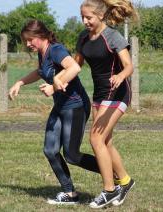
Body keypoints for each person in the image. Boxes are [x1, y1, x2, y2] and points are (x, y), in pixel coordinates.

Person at [8, 20, 100, 205]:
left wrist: (53, 88)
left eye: (30, 40)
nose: (27, 45)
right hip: (60, 107)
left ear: (41, 36)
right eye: (26, 41)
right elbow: (41, 71)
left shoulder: (56, 49)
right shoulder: (43, 53)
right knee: (50, 150)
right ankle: (70, 193)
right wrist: (20, 82)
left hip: (76, 106)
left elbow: (74, 67)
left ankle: (113, 174)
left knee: (72, 155)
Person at [75, 0, 138, 209]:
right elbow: (75, 66)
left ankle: (109, 190)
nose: (85, 21)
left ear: (101, 16)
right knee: (105, 141)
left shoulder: (112, 36)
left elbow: (129, 66)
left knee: (95, 139)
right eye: (82, 17)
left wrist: (120, 75)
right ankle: (126, 181)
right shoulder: (83, 38)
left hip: (118, 92)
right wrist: (58, 80)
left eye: (89, 17)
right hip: (100, 94)